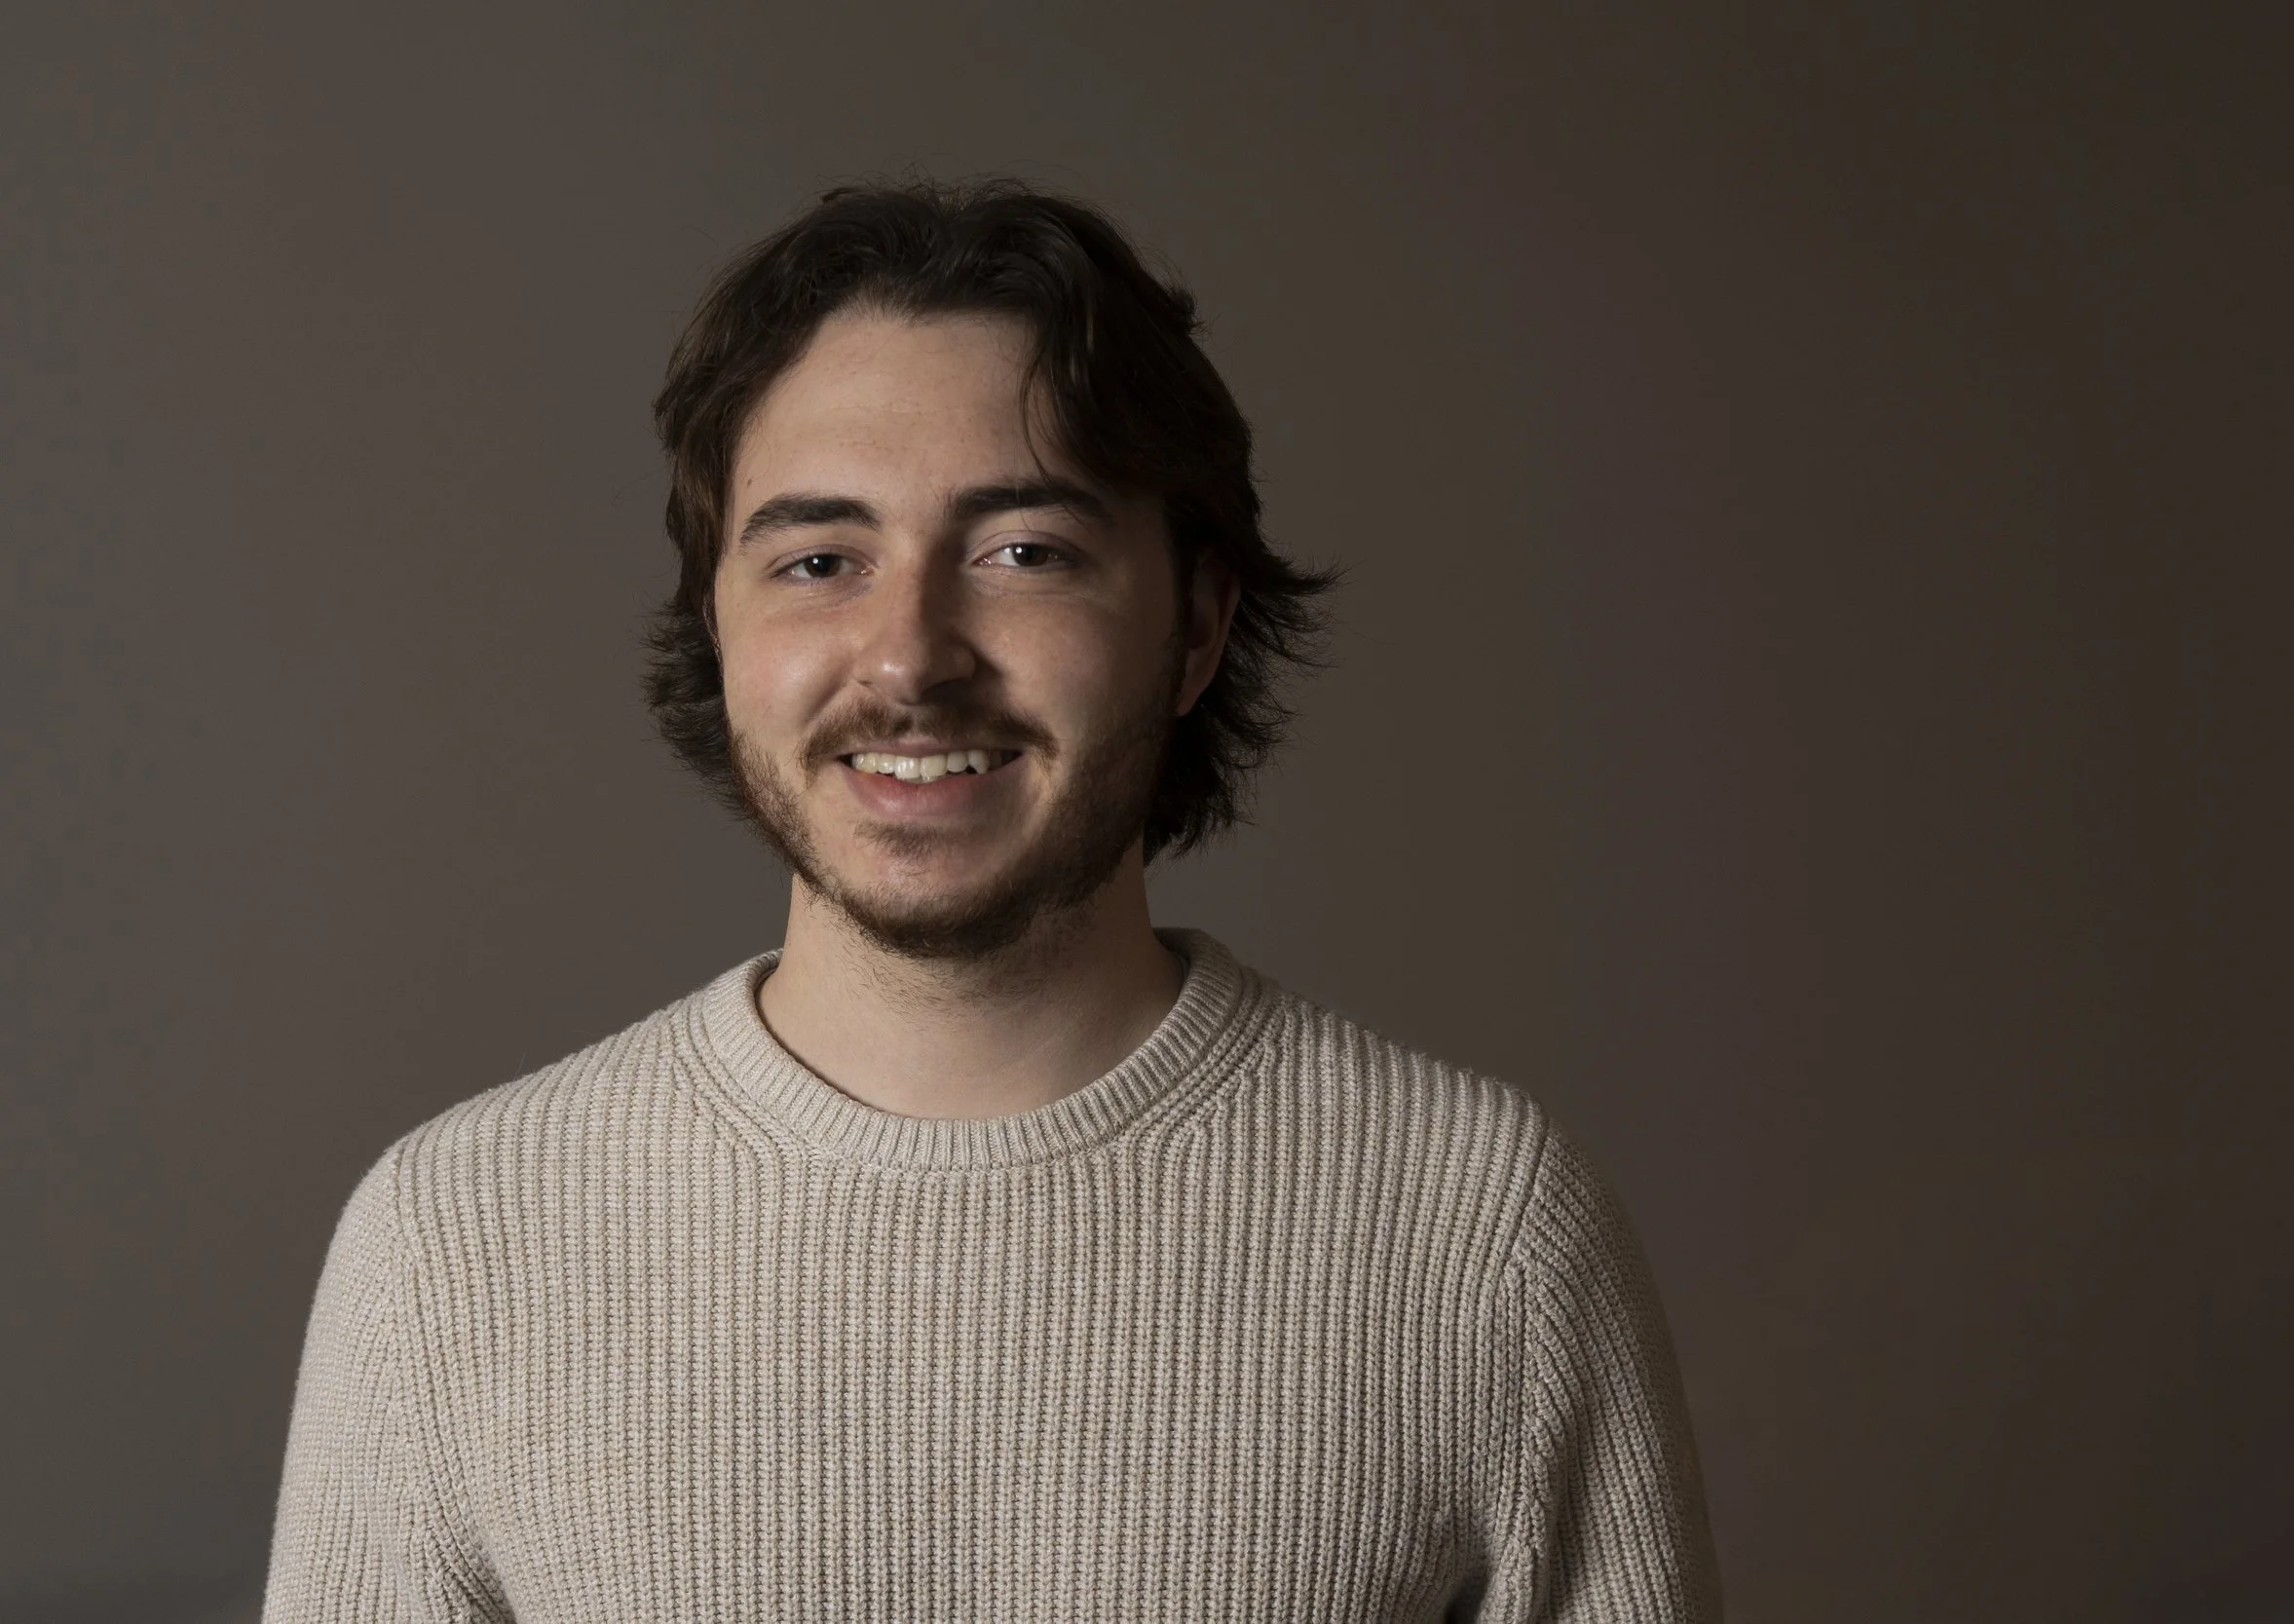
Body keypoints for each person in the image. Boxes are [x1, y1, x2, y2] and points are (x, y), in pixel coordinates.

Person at [263, 178, 1720, 1622]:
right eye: (819, 561)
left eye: (1024, 552)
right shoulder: (451, 1245)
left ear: (1197, 625)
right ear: (718, 624)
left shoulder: (1483, 1234)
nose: (911, 656)